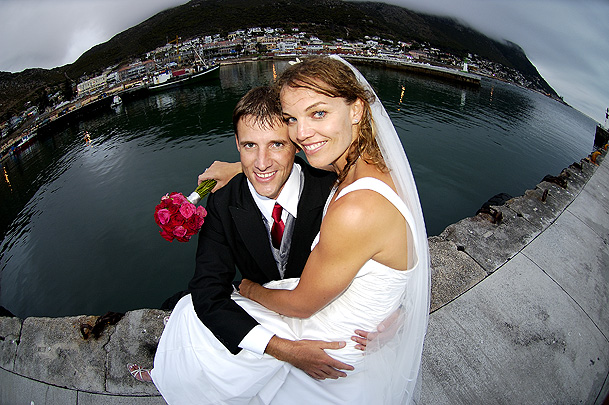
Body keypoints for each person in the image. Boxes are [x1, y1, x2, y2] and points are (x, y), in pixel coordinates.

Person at [146, 56, 429, 404]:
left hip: (323, 335)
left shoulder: (334, 189)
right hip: (288, 326)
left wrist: (396, 309)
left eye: (278, 143)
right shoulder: (224, 204)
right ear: (237, 146)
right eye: (250, 145)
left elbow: (384, 251)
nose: (263, 162)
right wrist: (242, 169)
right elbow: (207, 292)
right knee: (189, 314)